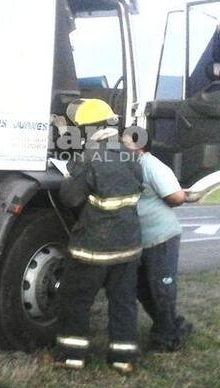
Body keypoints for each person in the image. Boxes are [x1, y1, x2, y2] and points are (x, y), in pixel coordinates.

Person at [54, 99, 143, 374]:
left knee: (76, 300)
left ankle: (72, 356)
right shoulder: (131, 157)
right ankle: (122, 359)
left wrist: (70, 176)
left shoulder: (91, 158)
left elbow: (70, 198)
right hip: (128, 247)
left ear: (90, 130)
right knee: (124, 303)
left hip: (93, 248)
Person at [131, 134, 194, 352]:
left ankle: (165, 340)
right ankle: (173, 326)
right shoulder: (130, 165)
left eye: (124, 141)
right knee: (142, 287)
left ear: (139, 145)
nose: (120, 145)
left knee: (161, 288)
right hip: (142, 240)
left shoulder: (151, 165)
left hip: (161, 237)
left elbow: (176, 197)